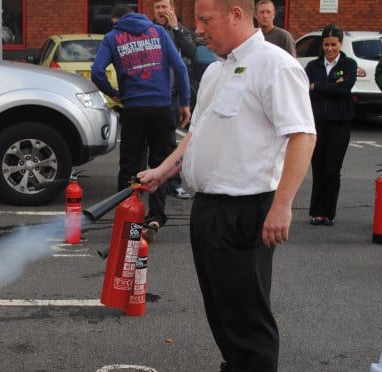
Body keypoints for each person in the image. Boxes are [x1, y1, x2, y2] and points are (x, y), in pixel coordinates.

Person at [138, 0, 316, 371]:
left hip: (246, 210)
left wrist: (282, 205)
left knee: (247, 320)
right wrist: (164, 169)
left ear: (236, 14)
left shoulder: (275, 65)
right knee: (222, 312)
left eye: (205, 20)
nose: (198, 30)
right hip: (208, 210)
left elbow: (303, 135)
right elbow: (196, 133)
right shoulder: (219, 70)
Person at [91, 4, 190, 237]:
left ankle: (126, 219)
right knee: (160, 162)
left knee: (130, 165)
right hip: (160, 107)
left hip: (133, 107)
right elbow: (180, 67)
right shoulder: (158, 32)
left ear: (117, 20)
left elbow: (96, 71)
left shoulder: (113, 37)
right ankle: (155, 217)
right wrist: (185, 101)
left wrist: (113, 92)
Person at [304, 24, 357, 226]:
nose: (330, 48)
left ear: (340, 44)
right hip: (317, 125)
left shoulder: (349, 65)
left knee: (332, 170)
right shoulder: (312, 66)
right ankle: (318, 212)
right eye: (326, 44)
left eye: (334, 44)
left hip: (340, 124)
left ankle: (329, 213)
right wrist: (332, 86)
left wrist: (318, 86)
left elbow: (345, 90)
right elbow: (306, 91)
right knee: (318, 168)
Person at [152, 0, 196, 199]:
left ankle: (174, 184)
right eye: (157, 7)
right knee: (148, 143)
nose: (161, 11)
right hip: (152, 94)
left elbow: (191, 52)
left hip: (172, 96)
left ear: (172, 10)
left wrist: (176, 28)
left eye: (164, 7)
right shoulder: (148, 31)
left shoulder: (180, 31)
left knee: (172, 142)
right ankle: (149, 181)